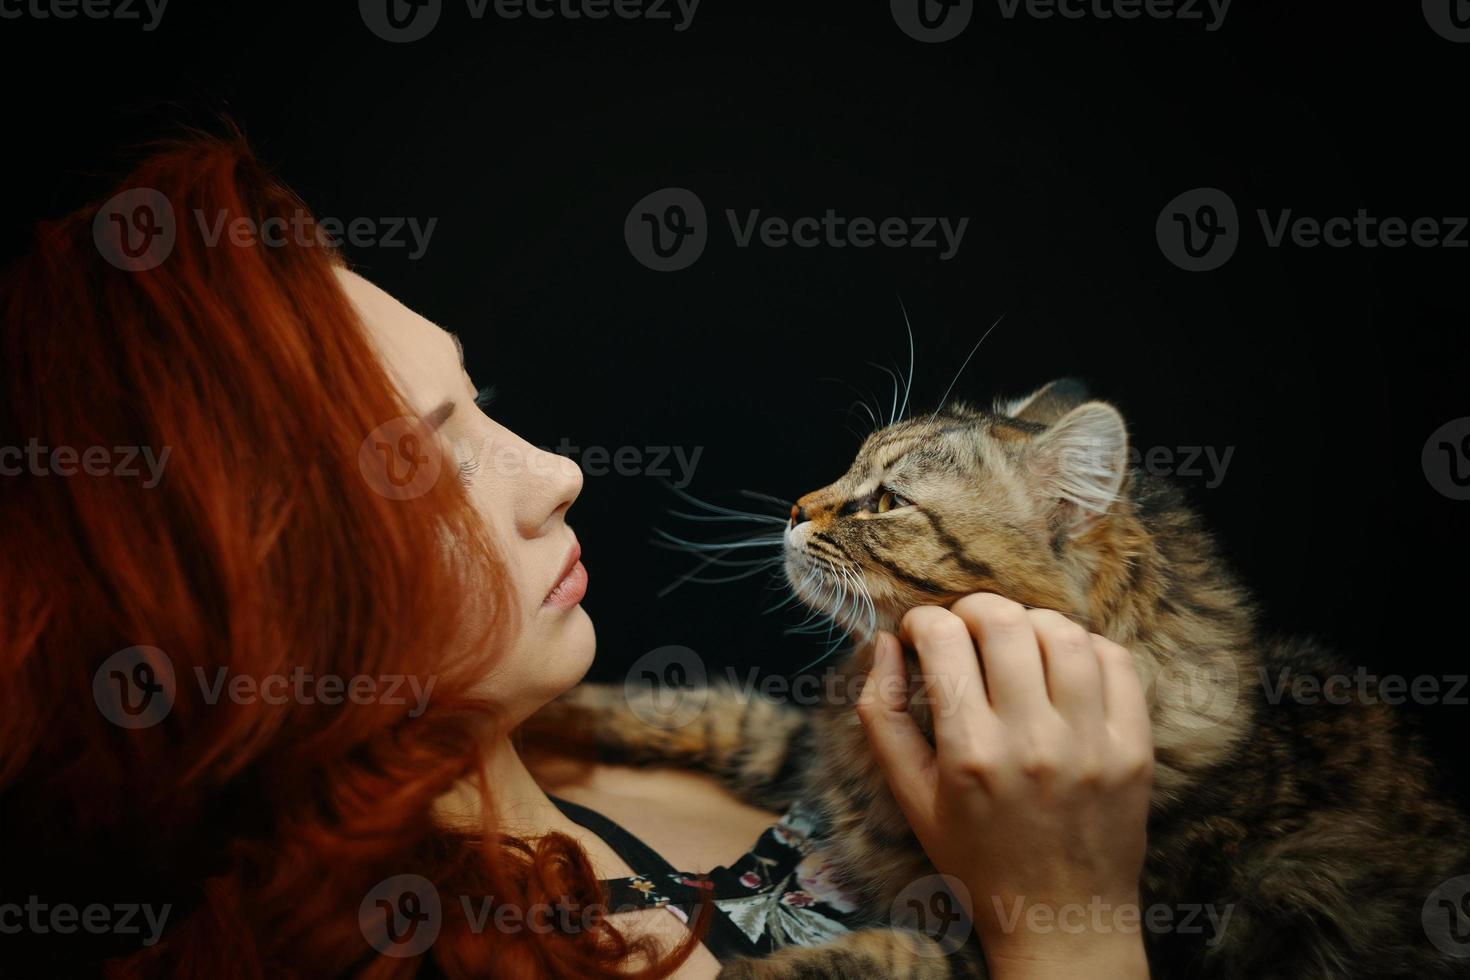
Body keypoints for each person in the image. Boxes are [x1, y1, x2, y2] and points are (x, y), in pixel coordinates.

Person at [0, 134, 1152, 979]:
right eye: (435, 459)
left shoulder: (608, 757)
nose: (559, 470)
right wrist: (1067, 921)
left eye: (480, 399)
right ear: (260, 590)